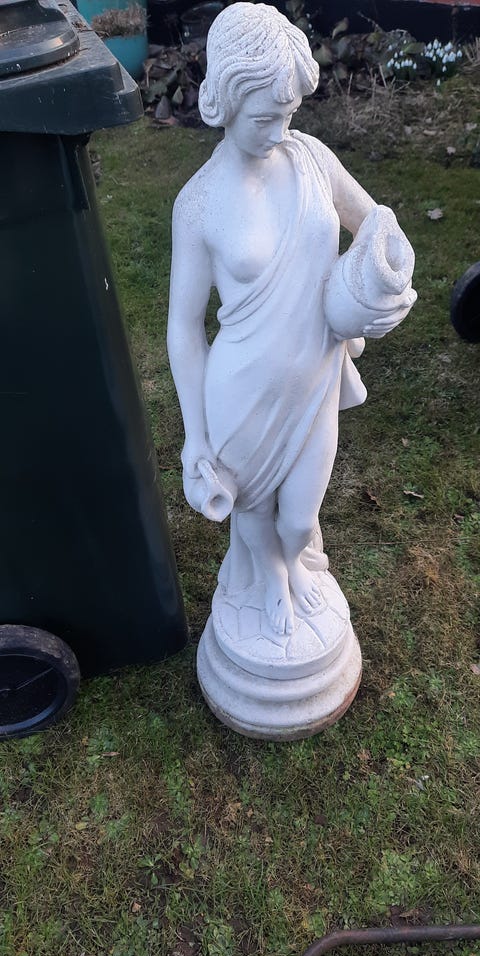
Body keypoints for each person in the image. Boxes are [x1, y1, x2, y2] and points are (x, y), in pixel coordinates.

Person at [167, 2, 413, 638]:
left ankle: (295, 556)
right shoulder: (197, 205)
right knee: (253, 509)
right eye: (263, 118)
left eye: (289, 114)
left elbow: (376, 225)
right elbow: (185, 329)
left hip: (316, 375)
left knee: (301, 515)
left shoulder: (313, 161)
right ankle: (272, 578)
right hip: (242, 390)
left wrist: (386, 287)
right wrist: (195, 435)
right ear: (225, 102)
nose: (279, 130)